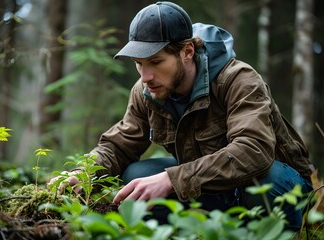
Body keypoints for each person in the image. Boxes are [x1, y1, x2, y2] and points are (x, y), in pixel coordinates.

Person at [50, 1, 314, 230]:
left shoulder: (238, 80)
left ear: (187, 52)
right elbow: (118, 145)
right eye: (138, 64)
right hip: (209, 187)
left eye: (155, 62)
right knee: (135, 176)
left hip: (278, 185)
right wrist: (81, 173)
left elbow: (253, 151)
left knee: (270, 180)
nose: (145, 76)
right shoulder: (146, 90)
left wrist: (172, 179)